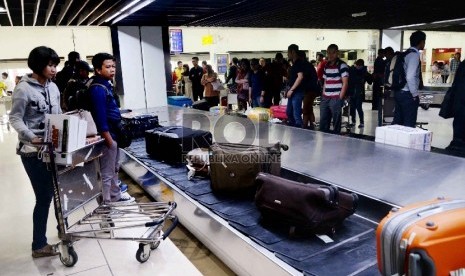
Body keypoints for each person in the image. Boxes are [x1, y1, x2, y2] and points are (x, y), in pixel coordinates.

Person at [9, 46, 62, 258]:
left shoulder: (53, 87)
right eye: (50, 65)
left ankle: (63, 230)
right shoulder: (23, 89)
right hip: (32, 151)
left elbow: (58, 114)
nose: (54, 69)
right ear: (38, 66)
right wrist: (32, 137)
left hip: (53, 148)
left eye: (55, 65)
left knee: (59, 192)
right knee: (44, 196)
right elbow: (15, 118)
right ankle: (39, 245)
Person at [88, 53, 135, 205]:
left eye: (113, 66)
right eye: (107, 67)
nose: (112, 70)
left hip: (114, 134)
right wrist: (109, 140)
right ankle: (107, 202)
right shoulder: (98, 89)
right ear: (97, 69)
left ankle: (115, 196)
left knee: (114, 167)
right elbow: (100, 117)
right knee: (107, 171)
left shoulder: (106, 85)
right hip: (107, 136)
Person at [392, 31, 426, 128]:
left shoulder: (405, 54)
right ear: (422, 42)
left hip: (399, 92)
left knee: (398, 122)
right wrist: (415, 94)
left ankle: (395, 141)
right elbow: (410, 76)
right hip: (407, 94)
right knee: (409, 124)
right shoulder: (414, 55)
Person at [319, 44, 349, 134]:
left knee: (336, 122)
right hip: (325, 97)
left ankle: (336, 139)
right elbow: (325, 81)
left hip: (336, 98)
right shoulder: (326, 65)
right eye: (328, 53)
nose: (330, 55)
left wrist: (340, 98)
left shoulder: (342, 66)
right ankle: (325, 139)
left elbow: (345, 83)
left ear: (337, 53)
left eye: (333, 53)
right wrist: (323, 94)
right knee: (323, 121)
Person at [348, 59, 373, 128]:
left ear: (362, 65)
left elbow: (370, 81)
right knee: (353, 108)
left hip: (358, 93)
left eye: (359, 65)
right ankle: (354, 121)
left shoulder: (363, 72)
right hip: (353, 92)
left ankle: (361, 122)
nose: (358, 67)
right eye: (357, 65)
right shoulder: (352, 70)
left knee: (358, 108)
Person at [286, 45, 305, 128]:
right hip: (293, 91)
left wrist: (292, 90)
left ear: (293, 52)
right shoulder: (294, 64)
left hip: (297, 92)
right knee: (289, 112)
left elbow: (300, 77)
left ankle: (299, 131)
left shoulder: (299, 63)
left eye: (288, 52)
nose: (287, 54)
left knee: (296, 114)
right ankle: (294, 129)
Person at [299, 51, 319, 129]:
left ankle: (305, 125)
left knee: (306, 109)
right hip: (312, 90)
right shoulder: (308, 65)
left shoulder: (305, 66)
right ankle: (311, 124)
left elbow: (304, 79)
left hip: (309, 90)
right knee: (309, 107)